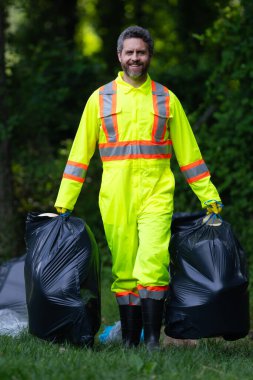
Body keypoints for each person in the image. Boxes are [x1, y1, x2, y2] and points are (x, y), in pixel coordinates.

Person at [54, 25, 222, 350]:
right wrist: (64, 203)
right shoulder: (99, 99)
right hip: (115, 197)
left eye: (141, 52)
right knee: (124, 268)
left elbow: (190, 156)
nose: (135, 58)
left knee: (153, 262)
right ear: (119, 56)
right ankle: (130, 342)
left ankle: (151, 343)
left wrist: (209, 196)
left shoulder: (166, 99)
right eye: (129, 52)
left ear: (149, 56)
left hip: (156, 194)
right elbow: (79, 156)